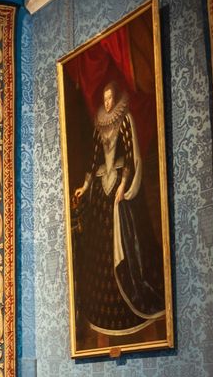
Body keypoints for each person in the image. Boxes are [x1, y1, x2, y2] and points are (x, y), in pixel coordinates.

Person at [71, 82, 166, 320]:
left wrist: (123, 186)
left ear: (116, 98)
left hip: (119, 187)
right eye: (104, 98)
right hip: (102, 187)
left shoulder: (125, 120)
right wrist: (84, 186)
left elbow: (130, 157)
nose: (107, 102)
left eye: (110, 97)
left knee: (128, 238)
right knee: (100, 245)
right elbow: (93, 162)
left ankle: (131, 290)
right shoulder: (98, 126)